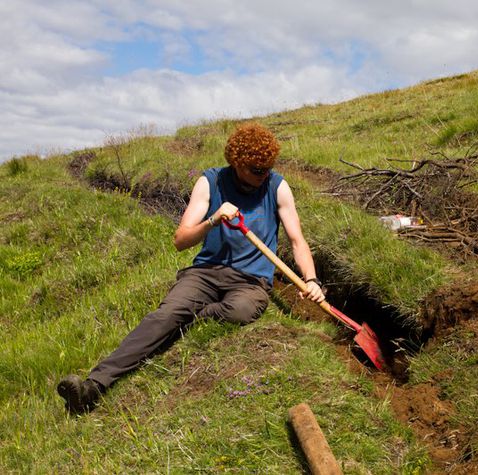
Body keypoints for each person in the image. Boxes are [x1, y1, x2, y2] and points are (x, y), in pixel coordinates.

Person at [58, 123, 325, 414]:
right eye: (256, 171)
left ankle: (191, 319)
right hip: (205, 274)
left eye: (267, 169)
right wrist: (212, 220)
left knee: (240, 310)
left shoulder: (277, 186)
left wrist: (310, 279)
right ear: (237, 164)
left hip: (250, 282)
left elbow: (297, 240)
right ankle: (92, 388)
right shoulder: (210, 182)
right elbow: (180, 240)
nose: (264, 176)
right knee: (165, 315)